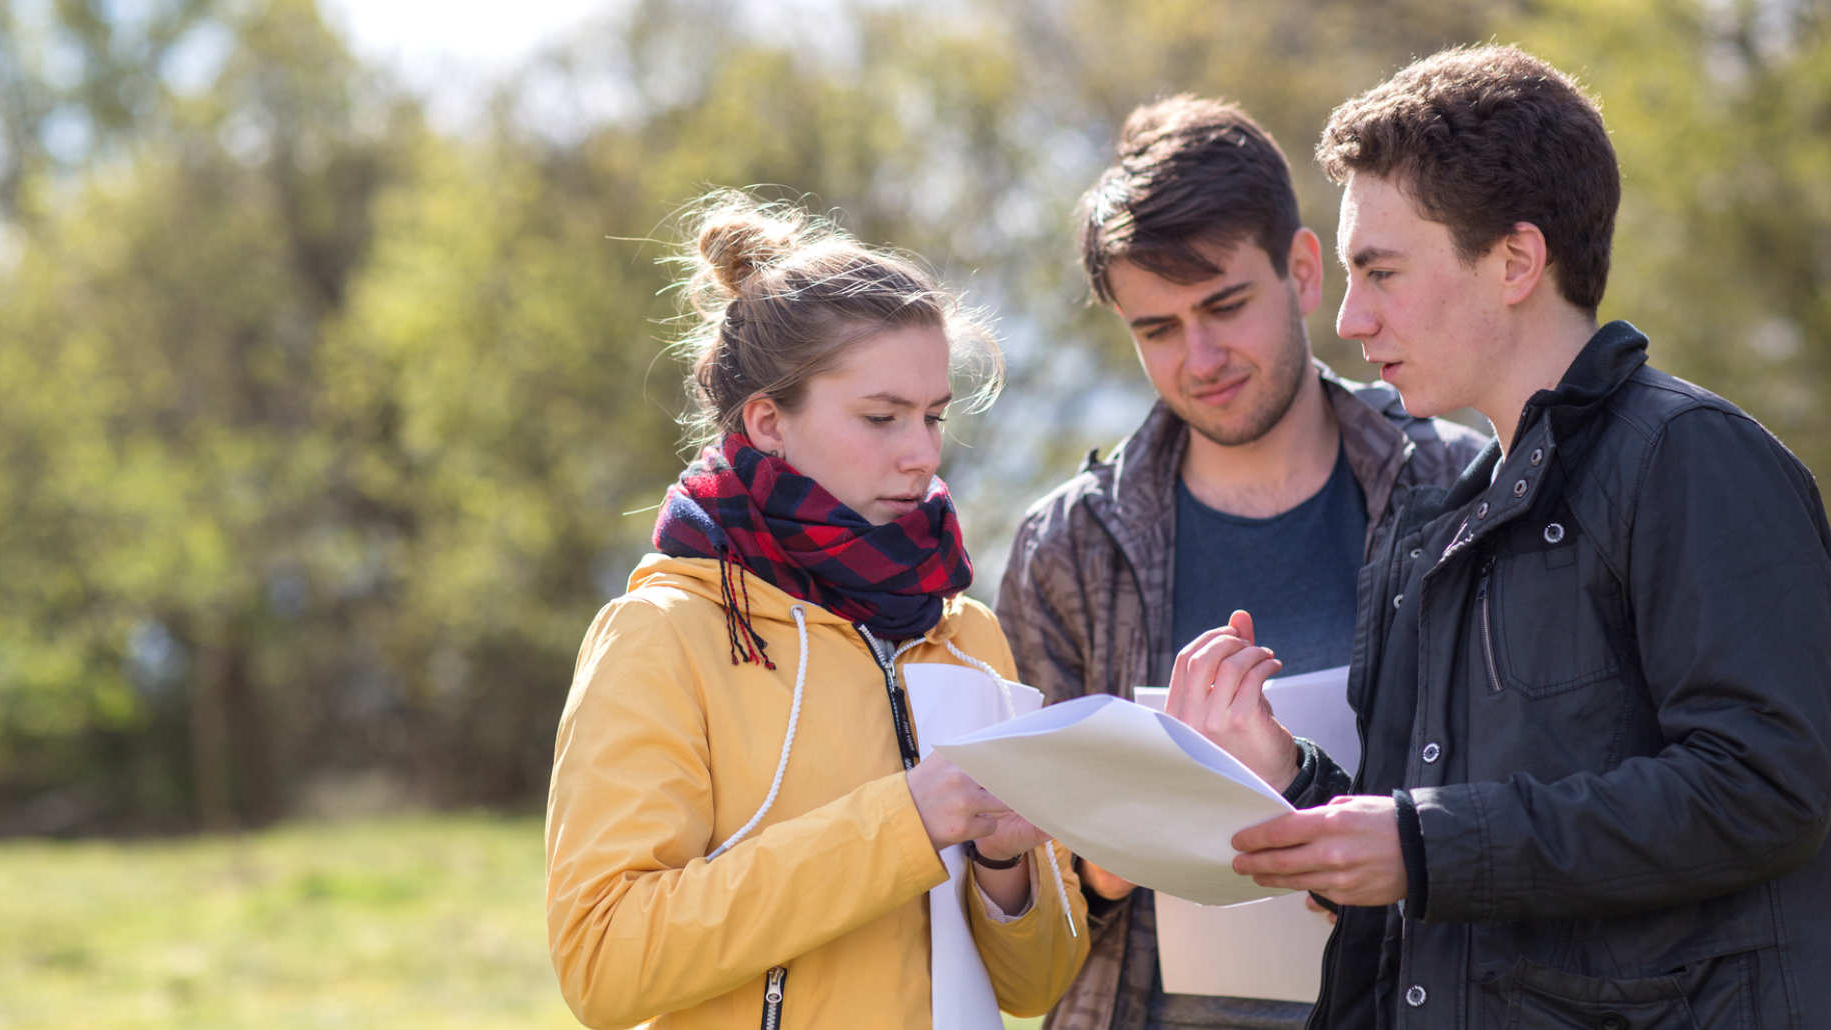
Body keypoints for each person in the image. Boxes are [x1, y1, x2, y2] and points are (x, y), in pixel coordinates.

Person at [1169, 44, 1831, 1029]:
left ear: (1514, 261)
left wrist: (1423, 842)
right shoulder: (1431, 520)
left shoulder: (1690, 460)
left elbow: (1765, 785)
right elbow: (1421, 845)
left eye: (1379, 270)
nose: (1349, 318)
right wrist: (1289, 780)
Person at [996, 95, 1483, 1029]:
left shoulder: (1461, 487)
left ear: (1304, 271)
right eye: (1157, 330)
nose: (1202, 356)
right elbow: (1024, 899)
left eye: (1224, 305)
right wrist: (1109, 849)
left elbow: (1519, 807)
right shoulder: (1067, 546)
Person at [545, 190, 1088, 1029]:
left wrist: (1003, 868)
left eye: (934, 416)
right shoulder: (661, 634)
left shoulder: (967, 633)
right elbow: (604, 961)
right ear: (767, 422)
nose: (923, 454)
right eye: (882, 417)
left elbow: (1037, 987)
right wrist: (903, 822)